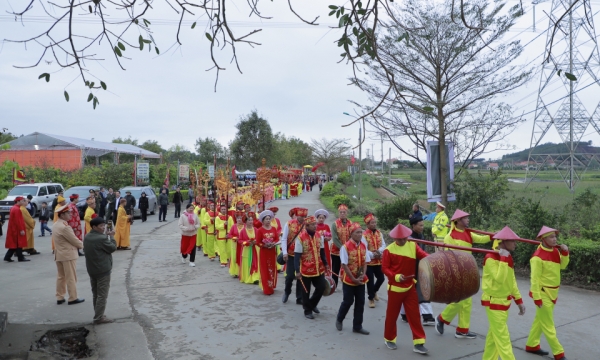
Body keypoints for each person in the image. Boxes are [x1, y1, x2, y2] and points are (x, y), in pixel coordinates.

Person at [436, 209, 491, 339]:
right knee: (459, 300)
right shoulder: (450, 237)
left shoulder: (469, 233)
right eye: (466, 218)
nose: (468, 220)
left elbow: (482, 239)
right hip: (457, 272)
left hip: (468, 270)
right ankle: (442, 318)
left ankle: (462, 330)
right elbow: (449, 257)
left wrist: (494, 236)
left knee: (467, 302)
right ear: (458, 221)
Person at [382, 223, 429, 354]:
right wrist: (396, 277)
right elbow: (384, 268)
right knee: (392, 316)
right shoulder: (388, 250)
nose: (402, 240)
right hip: (395, 289)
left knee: (415, 315)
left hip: (410, 287)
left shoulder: (413, 246)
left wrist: (435, 260)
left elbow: (424, 256)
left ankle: (419, 342)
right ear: (394, 238)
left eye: (404, 238)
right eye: (399, 239)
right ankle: (389, 338)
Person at [481, 226, 526, 360]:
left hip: (503, 301)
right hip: (494, 301)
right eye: (513, 241)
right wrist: (503, 259)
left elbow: (511, 281)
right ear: (503, 242)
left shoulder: (506, 257)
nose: (515, 244)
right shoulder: (490, 258)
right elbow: (499, 279)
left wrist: (519, 301)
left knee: (493, 339)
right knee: (503, 340)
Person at [525, 226, 569, 360]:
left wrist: (565, 253)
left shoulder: (556, 251)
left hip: (553, 292)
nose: (555, 239)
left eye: (555, 236)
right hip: (543, 294)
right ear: (543, 239)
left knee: (540, 321)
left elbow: (562, 266)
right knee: (549, 325)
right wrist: (537, 298)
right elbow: (534, 280)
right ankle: (559, 353)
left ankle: (532, 345)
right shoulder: (537, 257)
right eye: (551, 237)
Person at [336, 222, 370, 334]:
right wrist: (353, 278)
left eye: (361, 232)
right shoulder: (345, 247)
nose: (360, 234)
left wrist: (363, 274)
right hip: (349, 280)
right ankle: (339, 319)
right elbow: (344, 265)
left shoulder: (364, 245)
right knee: (348, 301)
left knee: (360, 302)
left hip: (360, 279)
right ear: (352, 234)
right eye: (357, 232)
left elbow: (366, 262)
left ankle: (357, 326)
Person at [400, 216, 435, 325]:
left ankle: (427, 316)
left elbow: (422, 251)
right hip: (410, 268)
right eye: (420, 225)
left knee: (423, 290)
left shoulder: (421, 236)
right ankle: (406, 314)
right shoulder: (409, 238)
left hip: (421, 267)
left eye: (423, 225)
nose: (422, 227)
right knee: (409, 291)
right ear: (413, 226)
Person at [83, 216, 117, 324]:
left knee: (96, 293)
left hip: (92, 269)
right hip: (102, 269)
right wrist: (111, 237)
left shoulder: (87, 236)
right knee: (102, 294)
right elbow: (112, 248)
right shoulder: (101, 238)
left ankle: (99, 313)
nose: (103, 228)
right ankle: (98, 317)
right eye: (101, 226)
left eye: (104, 225)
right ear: (94, 227)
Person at [294, 215, 329, 319]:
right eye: (313, 224)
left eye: (315, 224)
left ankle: (312, 304)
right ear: (307, 226)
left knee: (321, 287)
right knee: (306, 290)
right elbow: (297, 256)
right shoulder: (300, 238)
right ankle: (307, 310)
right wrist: (297, 271)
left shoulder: (319, 236)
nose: (315, 226)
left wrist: (326, 263)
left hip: (319, 268)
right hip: (306, 269)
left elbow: (322, 252)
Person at [53, 204, 85, 305]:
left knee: (61, 277)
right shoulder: (65, 227)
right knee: (71, 277)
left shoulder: (56, 225)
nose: (70, 215)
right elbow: (74, 240)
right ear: (62, 215)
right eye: (68, 213)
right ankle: (73, 297)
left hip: (60, 254)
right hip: (68, 254)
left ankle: (60, 296)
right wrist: (84, 246)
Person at [281, 207, 307, 304]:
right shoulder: (289, 223)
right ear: (296, 215)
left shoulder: (307, 225)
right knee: (289, 276)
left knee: (301, 276)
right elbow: (284, 239)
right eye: (301, 216)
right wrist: (285, 252)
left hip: (302, 255)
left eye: (304, 216)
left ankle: (299, 297)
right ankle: (287, 292)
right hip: (291, 254)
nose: (302, 218)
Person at [363, 213, 386, 309]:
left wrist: (379, 252)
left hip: (378, 261)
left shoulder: (379, 233)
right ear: (367, 224)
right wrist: (373, 255)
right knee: (370, 281)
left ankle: (374, 291)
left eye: (375, 222)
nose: (374, 224)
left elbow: (384, 245)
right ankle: (371, 298)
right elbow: (364, 249)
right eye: (372, 223)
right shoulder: (364, 235)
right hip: (369, 262)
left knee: (381, 278)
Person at [256, 210, 280, 295]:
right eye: (266, 219)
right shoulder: (260, 230)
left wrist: (273, 243)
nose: (268, 221)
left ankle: (272, 285)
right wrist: (264, 245)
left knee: (272, 268)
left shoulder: (273, 229)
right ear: (262, 220)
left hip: (272, 251)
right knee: (265, 269)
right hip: (264, 252)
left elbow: (277, 239)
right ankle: (266, 288)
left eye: (269, 219)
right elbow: (258, 242)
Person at [331, 204, 353, 287]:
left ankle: (347, 283)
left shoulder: (350, 223)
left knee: (347, 268)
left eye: (344, 212)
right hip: (336, 251)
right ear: (338, 213)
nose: (342, 214)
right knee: (335, 269)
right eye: (341, 212)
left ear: (347, 213)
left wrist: (348, 248)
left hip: (348, 250)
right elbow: (335, 238)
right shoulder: (335, 224)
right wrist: (343, 248)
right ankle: (334, 285)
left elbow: (352, 236)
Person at [3, 197, 29, 262]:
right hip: (16, 229)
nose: (24, 202)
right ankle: (20, 258)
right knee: (18, 243)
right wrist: (21, 229)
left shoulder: (13, 208)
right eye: (23, 201)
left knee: (14, 244)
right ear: (18, 201)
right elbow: (18, 221)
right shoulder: (17, 209)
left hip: (13, 228)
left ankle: (7, 257)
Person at [239, 212, 260, 284]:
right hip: (247, 250)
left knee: (255, 262)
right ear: (245, 222)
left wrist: (255, 241)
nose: (251, 222)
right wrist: (247, 242)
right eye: (249, 220)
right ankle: (248, 277)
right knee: (248, 263)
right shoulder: (243, 231)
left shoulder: (256, 230)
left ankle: (255, 277)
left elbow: (259, 239)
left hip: (255, 249)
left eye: (251, 220)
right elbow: (240, 240)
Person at [227, 211, 245, 277]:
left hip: (243, 245)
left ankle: (242, 272)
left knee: (242, 258)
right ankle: (235, 272)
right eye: (238, 218)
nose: (239, 220)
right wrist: (234, 238)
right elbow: (229, 235)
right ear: (236, 219)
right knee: (234, 258)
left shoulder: (245, 226)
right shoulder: (234, 226)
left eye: (240, 218)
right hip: (235, 245)